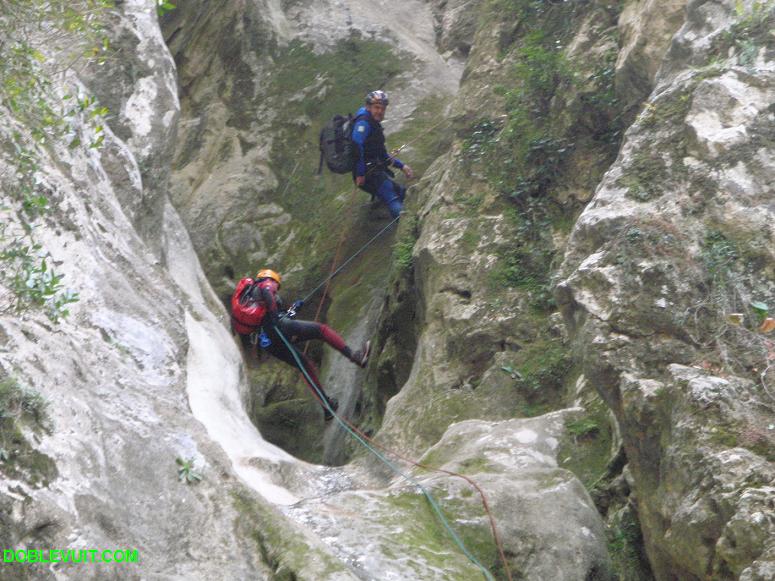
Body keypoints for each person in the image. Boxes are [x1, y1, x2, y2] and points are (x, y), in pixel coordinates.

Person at [231, 269, 370, 421]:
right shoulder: (265, 285)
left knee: (304, 365)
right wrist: (274, 314)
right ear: (270, 279)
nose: (276, 287)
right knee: (321, 330)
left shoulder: (249, 298)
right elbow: (268, 294)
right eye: (277, 284)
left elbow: (271, 314)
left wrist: (292, 310)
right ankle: (356, 357)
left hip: (269, 342)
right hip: (279, 329)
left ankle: (327, 407)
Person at [351, 90, 414, 218]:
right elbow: (356, 146)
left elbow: (382, 155)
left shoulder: (372, 123)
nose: (380, 111)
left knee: (401, 192)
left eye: (382, 108)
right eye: (377, 107)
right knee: (393, 199)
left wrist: (402, 166)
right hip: (368, 174)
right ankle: (407, 229)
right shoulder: (364, 123)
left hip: (373, 169)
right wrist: (360, 174)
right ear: (369, 107)